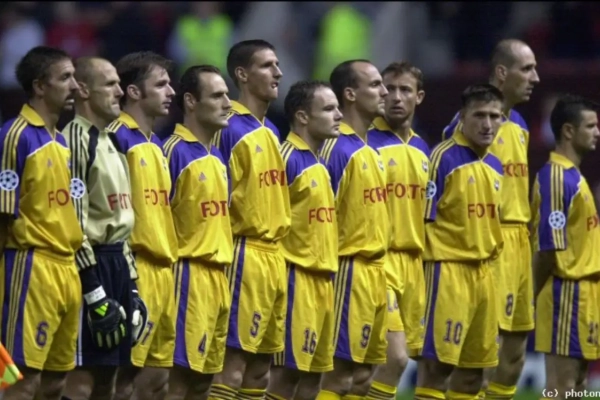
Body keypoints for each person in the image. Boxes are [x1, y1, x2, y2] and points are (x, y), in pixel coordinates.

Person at [443, 39, 540, 399]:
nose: (535, 78)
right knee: (482, 358)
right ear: (502, 72)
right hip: (489, 242)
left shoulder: (520, 124)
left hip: (519, 244)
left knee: (514, 355)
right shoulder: (466, 127)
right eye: (527, 69)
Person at [209, 40, 291, 400]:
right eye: (267, 66)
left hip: (274, 256)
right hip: (244, 252)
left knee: (260, 369)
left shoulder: (271, 130)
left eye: (277, 65)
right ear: (242, 74)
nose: (278, 73)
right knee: (233, 364)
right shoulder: (228, 128)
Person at [0, 46, 82, 399]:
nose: (75, 86)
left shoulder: (61, 142)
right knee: (23, 380)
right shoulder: (15, 135)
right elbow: (3, 213)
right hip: (30, 266)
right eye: (65, 77)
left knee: (56, 383)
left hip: (67, 268)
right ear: (39, 86)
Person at [415, 84, 504, 400]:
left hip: (484, 275)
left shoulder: (496, 165)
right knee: (437, 369)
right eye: (479, 115)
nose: (487, 124)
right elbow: (422, 220)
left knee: (474, 375)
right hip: (447, 272)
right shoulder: (442, 158)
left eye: (494, 116)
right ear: (463, 117)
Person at [60, 57, 140, 400]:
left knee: (109, 378)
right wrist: (93, 290)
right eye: (110, 84)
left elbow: (123, 222)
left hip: (117, 262)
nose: (120, 91)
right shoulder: (75, 140)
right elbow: (73, 223)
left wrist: (132, 288)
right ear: (83, 90)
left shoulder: (114, 142)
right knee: (81, 380)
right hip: (89, 266)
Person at [316, 59, 389, 399]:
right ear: (350, 94)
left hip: (375, 272)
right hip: (348, 270)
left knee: (363, 377)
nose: (384, 92)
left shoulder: (369, 149)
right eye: (375, 85)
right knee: (338, 376)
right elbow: (318, 216)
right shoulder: (336, 149)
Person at [266, 80, 342, 400]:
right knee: (285, 377)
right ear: (302, 116)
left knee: (313, 379)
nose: (339, 115)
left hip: (323, 279)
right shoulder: (285, 158)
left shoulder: (320, 161)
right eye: (329, 109)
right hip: (294, 277)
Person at [109, 51, 178, 400]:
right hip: (134, 270)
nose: (171, 92)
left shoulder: (158, 144)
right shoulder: (116, 137)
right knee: (121, 379)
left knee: (157, 382)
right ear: (134, 92)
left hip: (165, 271)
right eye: (161, 84)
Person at [162, 65, 233, 399]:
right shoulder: (173, 151)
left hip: (219, 277)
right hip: (186, 275)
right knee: (177, 382)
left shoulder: (217, 156)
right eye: (217, 96)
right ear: (191, 101)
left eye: (227, 96)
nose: (227, 104)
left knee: (204, 382)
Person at [365, 61, 429, 399]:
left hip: (413, 266)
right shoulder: (365, 142)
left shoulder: (423, 150)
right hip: (378, 262)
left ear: (419, 97)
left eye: (405, 90)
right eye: (388, 88)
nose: (395, 97)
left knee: (381, 367)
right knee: (395, 358)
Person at [531, 95, 600, 397]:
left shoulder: (574, 176)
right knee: (562, 387)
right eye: (591, 126)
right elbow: (549, 248)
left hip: (584, 294)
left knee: (579, 385)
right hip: (566, 293)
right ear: (569, 131)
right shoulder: (557, 178)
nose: (597, 132)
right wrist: (530, 296)